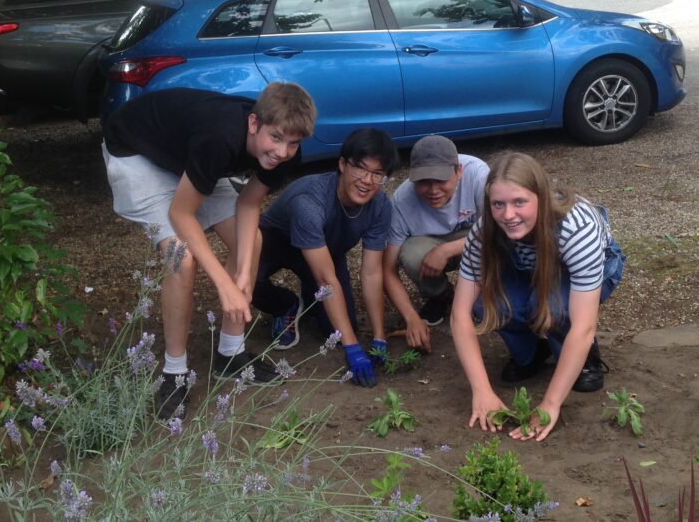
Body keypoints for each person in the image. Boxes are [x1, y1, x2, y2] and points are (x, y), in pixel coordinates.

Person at [102, 84, 316, 420]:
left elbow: (249, 204)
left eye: (293, 143)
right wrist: (226, 284)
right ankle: (174, 371)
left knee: (252, 242)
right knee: (181, 258)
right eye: (276, 138)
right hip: (136, 153)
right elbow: (181, 214)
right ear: (254, 123)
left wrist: (243, 270)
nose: (282, 151)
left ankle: (231, 354)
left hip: (186, 156)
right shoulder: (219, 138)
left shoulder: (283, 153)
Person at [450, 152, 624, 442]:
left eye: (519, 202)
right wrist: (481, 390)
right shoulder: (483, 233)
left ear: (540, 198)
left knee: (556, 309)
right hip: (528, 266)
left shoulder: (575, 229)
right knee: (486, 303)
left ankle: (583, 359)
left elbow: (584, 326)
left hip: (590, 269)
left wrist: (550, 404)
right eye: (498, 204)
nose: (508, 215)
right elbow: (460, 314)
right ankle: (531, 354)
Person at [254, 128, 398, 387]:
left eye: (378, 174)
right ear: (342, 164)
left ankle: (311, 297)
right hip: (276, 242)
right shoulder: (310, 201)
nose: (367, 180)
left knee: (338, 330)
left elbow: (372, 271)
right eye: (360, 169)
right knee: (245, 281)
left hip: (324, 254)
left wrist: (379, 336)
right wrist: (352, 347)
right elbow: (326, 279)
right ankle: (284, 305)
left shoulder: (380, 206)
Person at [383, 136, 489, 351]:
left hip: (475, 239)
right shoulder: (402, 201)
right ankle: (442, 296)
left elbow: (499, 229)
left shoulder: (478, 174)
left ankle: (486, 291)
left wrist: (447, 250)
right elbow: (387, 269)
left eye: (441, 180)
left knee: (496, 242)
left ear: (459, 171)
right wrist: (411, 317)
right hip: (430, 245)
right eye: (424, 181)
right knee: (411, 253)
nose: (433, 190)